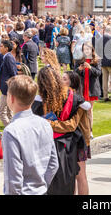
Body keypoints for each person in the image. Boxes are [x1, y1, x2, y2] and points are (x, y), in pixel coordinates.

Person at [3, 75, 59, 195]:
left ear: (11, 98)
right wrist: (41, 186)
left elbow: (12, 177)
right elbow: (53, 164)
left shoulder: (11, 131)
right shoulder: (44, 124)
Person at [35, 66, 86, 195]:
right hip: (67, 146)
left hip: (47, 146)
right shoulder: (73, 98)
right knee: (67, 181)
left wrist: (50, 123)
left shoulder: (37, 102)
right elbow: (72, 125)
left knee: (51, 183)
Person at [75, 42, 101, 139]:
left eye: (88, 49)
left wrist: (90, 68)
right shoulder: (78, 60)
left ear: (91, 50)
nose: (86, 51)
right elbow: (74, 73)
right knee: (80, 110)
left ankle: (90, 131)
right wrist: (79, 69)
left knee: (89, 110)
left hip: (91, 88)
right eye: (84, 49)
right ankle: (80, 130)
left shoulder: (96, 60)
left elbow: (98, 73)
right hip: (81, 88)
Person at [0, 39, 18, 127]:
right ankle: (14, 127)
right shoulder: (6, 57)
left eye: (1, 46)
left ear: (6, 48)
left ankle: (11, 128)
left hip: (7, 88)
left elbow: (13, 73)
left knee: (2, 112)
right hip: (7, 88)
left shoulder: (8, 57)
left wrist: (11, 88)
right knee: (9, 112)